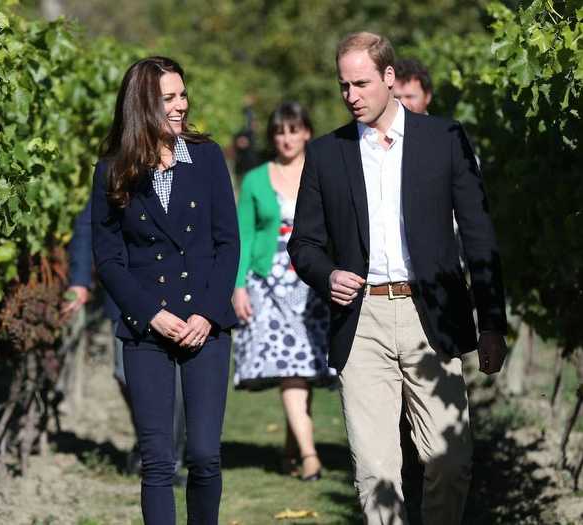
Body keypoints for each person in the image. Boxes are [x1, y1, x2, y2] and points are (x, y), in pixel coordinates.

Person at [288, 32, 508, 525]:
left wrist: (492, 321)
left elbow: (478, 237)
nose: (351, 96)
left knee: (450, 463)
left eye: (361, 83)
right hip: (360, 322)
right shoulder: (327, 153)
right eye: (343, 86)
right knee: (376, 473)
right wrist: (328, 275)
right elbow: (303, 244)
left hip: (430, 318)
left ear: (389, 78)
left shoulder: (443, 139)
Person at [91, 56, 239, 525]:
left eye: (182, 95)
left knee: (204, 454)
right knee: (157, 461)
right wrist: (150, 314)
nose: (181, 106)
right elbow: (109, 258)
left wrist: (209, 314)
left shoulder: (208, 157)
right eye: (168, 98)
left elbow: (226, 242)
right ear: (143, 105)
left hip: (205, 326)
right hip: (146, 329)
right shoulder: (113, 170)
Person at [232, 101, 332, 482]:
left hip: (311, 284)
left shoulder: (323, 171)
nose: (287, 138)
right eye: (279, 131)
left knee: (302, 370)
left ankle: (291, 450)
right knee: (290, 370)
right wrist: (238, 285)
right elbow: (243, 235)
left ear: (307, 131)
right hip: (268, 284)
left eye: (294, 130)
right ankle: (309, 455)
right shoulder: (256, 179)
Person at [62, 199, 187, 484]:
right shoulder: (116, 170)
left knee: (174, 380)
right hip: (126, 293)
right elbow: (88, 224)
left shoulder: (183, 167)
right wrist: (80, 280)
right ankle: (150, 439)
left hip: (177, 291)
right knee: (125, 373)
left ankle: (168, 458)